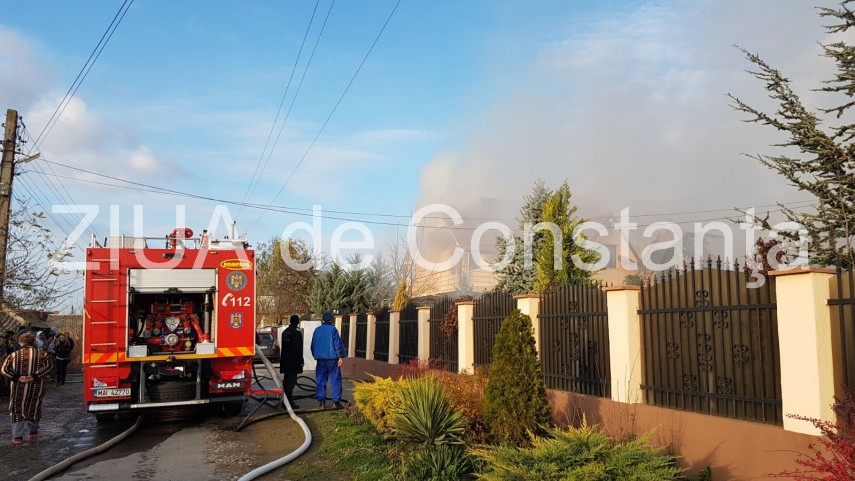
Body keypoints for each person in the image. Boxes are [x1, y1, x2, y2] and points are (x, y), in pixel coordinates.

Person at [1, 331, 54, 445]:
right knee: (34, 407)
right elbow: (50, 367)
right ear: (34, 342)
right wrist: (34, 376)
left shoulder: (13, 355)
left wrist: (17, 377)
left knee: (17, 409)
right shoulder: (43, 354)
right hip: (36, 387)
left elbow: (4, 370)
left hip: (18, 387)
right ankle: (33, 431)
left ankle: (18, 437)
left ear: (21, 342)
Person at [310, 311, 347, 409]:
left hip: (320, 359)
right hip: (332, 359)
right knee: (335, 380)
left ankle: (321, 402)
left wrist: (315, 355)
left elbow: (313, 345)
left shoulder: (317, 330)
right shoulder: (333, 330)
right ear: (331, 319)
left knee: (321, 380)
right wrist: (340, 356)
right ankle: (336, 402)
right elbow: (337, 345)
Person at [279, 315, 304, 408]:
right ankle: (288, 403)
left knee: (286, 382)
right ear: (297, 322)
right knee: (290, 383)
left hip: (285, 361)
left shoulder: (285, 332)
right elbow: (297, 349)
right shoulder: (296, 333)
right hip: (293, 362)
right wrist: (300, 361)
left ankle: (284, 401)